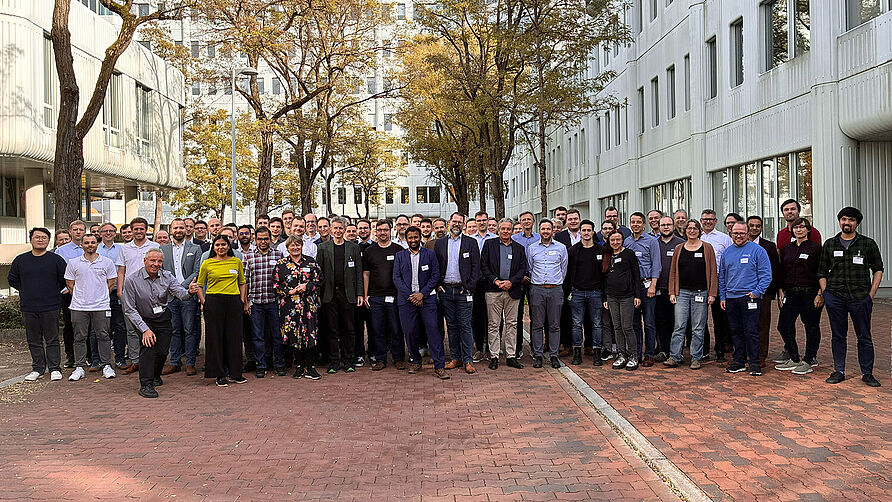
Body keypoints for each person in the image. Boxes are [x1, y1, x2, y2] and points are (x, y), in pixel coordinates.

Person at [817, 207, 883, 387]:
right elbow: (822, 271)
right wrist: (827, 294)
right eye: (844, 219)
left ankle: (867, 373)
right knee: (838, 336)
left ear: (857, 223)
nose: (847, 223)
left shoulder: (868, 243)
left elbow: (878, 269)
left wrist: (871, 294)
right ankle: (839, 370)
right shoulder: (830, 244)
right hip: (835, 297)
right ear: (839, 221)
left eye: (851, 220)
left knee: (864, 336)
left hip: (860, 297)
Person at [123, 249, 201, 398]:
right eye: (152, 261)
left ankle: (155, 375)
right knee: (149, 347)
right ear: (145, 261)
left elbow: (181, 294)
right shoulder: (131, 280)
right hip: (142, 318)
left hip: (162, 317)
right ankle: (146, 385)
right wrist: (145, 330)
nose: (156, 264)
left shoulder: (167, 276)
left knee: (162, 351)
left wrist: (190, 292)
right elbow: (129, 309)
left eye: (159, 261)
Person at [9, 228, 67, 382]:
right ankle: (38, 368)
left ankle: (55, 368)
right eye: (37, 237)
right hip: (28, 306)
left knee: (52, 338)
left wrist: (52, 291)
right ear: (31, 239)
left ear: (49, 241)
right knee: (33, 339)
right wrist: (27, 289)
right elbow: (12, 279)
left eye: (44, 237)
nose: (40, 240)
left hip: (51, 305)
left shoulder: (56, 260)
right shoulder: (20, 260)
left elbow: (64, 280)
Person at [394, 226, 449, 379]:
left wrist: (422, 294)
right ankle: (415, 361)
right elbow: (396, 278)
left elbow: (435, 275)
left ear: (420, 238)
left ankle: (439, 366)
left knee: (433, 331)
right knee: (410, 331)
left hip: (428, 299)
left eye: (415, 237)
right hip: (407, 300)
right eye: (410, 238)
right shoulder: (400, 256)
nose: (413, 240)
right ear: (406, 239)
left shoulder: (430, 254)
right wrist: (412, 296)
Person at [719, 222, 772, 376]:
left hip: (750, 298)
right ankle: (739, 362)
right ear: (731, 234)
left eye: (742, 233)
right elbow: (722, 277)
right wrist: (723, 297)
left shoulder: (758, 251)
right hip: (731, 299)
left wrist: (757, 292)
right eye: (735, 233)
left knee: (751, 331)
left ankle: (754, 363)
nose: (739, 236)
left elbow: (766, 275)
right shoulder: (727, 253)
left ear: (748, 234)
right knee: (736, 331)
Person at [195, 236, 248, 387]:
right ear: (214, 247)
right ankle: (219, 374)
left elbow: (242, 282)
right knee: (215, 339)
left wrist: (242, 301)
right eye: (217, 245)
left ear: (228, 246)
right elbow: (199, 284)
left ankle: (235, 373)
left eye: (223, 244)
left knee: (234, 338)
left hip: (233, 301)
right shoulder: (207, 263)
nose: (220, 247)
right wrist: (204, 302)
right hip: (214, 302)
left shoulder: (236, 261)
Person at [64, 233, 118, 381]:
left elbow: (111, 282)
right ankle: (79, 367)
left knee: (104, 336)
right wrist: (81, 298)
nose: (90, 245)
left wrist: (99, 297)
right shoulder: (73, 263)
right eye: (86, 243)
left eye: (92, 242)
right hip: (79, 307)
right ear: (81, 245)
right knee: (79, 337)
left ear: (97, 244)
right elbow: (70, 284)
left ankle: (106, 365)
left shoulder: (106, 262)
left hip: (101, 306)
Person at [665, 220, 717, 369]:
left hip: (701, 292)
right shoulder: (679, 248)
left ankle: (696, 357)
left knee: (698, 327)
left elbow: (713, 271)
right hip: (682, 292)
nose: (692, 230)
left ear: (699, 230)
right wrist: (672, 292)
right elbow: (673, 272)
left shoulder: (707, 248)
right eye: (689, 228)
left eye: (695, 228)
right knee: (679, 325)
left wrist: (712, 293)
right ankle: (674, 356)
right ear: (685, 230)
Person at [774, 217, 822, 376]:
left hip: (811, 293)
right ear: (792, 230)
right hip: (791, 292)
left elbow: (822, 272)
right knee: (783, 325)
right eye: (796, 228)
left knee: (811, 326)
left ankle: (809, 359)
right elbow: (782, 270)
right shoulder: (787, 248)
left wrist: (821, 293)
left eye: (802, 227)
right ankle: (794, 357)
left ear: (809, 230)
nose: (799, 230)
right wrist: (780, 289)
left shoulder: (816, 248)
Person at [316, 217, 364, 373]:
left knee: (349, 328)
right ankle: (334, 361)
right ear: (330, 229)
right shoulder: (323, 248)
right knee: (331, 329)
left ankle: (348, 360)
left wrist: (359, 293)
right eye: (335, 228)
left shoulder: (353, 248)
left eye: (340, 228)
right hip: (329, 294)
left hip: (348, 293)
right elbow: (319, 274)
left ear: (345, 230)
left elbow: (358, 272)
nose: (337, 231)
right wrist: (318, 295)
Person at [435, 212, 480, 373]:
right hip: (445, 290)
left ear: (464, 224)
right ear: (449, 222)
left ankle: (468, 360)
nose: (457, 224)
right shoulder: (440, 243)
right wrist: (438, 284)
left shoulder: (471, 242)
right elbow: (436, 266)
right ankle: (456, 358)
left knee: (465, 325)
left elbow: (476, 268)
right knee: (452, 326)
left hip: (463, 291)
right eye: (454, 221)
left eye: (460, 222)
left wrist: (470, 287)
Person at [480, 218, 527, 370]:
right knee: (494, 324)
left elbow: (522, 268)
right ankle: (494, 356)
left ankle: (511, 356)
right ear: (498, 230)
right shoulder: (489, 244)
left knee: (512, 324)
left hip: (512, 290)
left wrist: (511, 282)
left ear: (512, 231)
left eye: (508, 229)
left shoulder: (519, 248)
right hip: (493, 290)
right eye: (503, 229)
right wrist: (495, 281)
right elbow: (484, 265)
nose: (506, 231)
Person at [116, 217, 161, 375]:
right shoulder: (124, 248)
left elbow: (160, 269)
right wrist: (120, 291)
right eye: (136, 229)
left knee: (152, 326)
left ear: (146, 229)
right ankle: (135, 361)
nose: (139, 231)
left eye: (142, 228)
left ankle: (152, 359)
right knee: (131, 328)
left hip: (150, 292)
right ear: (132, 230)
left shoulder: (155, 246)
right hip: (130, 292)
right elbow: (121, 271)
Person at [274, 236, 323, 380]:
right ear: (287, 248)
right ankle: (299, 365)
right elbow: (275, 284)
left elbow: (319, 279)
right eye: (292, 246)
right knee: (293, 334)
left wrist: (307, 286)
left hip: (308, 304)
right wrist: (290, 291)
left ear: (302, 246)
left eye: (298, 245)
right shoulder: (281, 264)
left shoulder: (310, 262)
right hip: (290, 305)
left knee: (310, 333)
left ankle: (310, 366)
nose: (295, 248)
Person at [159, 219, 202, 376]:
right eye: (175, 227)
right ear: (171, 230)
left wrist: (181, 287)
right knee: (173, 330)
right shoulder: (162, 249)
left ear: (186, 230)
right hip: (169, 297)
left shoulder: (195, 249)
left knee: (189, 330)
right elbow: (160, 271)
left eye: (181, 227)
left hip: (188, 294)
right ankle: (175, 362)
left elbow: (197, 271)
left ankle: (190, 363)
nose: (178, 230)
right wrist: (171, 288)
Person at [363, 219, 407, 370]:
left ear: (390, 230)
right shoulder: (369, 251)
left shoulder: (398, 250)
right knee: (377, 329)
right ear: (376, 231)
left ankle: (398, 358)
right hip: (375, 297)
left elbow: (403, 274)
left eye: (385, 230)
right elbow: (366, 274)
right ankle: (381, 359)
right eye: (380, 230)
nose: (383, 233)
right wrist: (365, 294)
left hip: (394, 296)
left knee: (396, 328)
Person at [242, 226, 286, 378]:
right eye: (260, 239)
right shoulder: (248, 257)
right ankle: (261, 365)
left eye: (266, 239)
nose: (263, 242)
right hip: (256, 302)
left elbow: (282, 279)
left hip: (274, 301)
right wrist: (246, 302)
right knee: (258, 336)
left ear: (270, 239)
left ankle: (279, 364)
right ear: (255, 239)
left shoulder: (278, 254)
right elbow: (244, 281)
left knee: (277, 335)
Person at [527, 219, 568, 369]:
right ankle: (538, 355)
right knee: (537, 324)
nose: (545, 232)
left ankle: (554, 355)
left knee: (555, 325)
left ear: (553, 231)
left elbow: (564, 269)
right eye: (543, 229)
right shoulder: (531, 248)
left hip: (555, 289)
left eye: (548, 229)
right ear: (539, 230)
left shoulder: (561, 248)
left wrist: (555, 282)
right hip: (537, 289)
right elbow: (530, 268)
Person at [565, 220, 605, 365]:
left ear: (593, 232)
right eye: (584, 230)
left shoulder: (601, 251)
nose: (587, 233)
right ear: (580, 232)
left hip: (596, 293)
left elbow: (605, 274)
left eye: (589, 230)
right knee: (576, 324)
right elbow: (567, 273)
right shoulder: (573, 251)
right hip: (577, 293)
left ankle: (597, 354)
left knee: (597, 324)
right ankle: (577, 354)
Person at [624, 212, 661, 366]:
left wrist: (653, 285)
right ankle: (636, 353)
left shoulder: (652, 241)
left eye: (639, 222)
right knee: (634, 323)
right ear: (630, 224)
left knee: (649, 322)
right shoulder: (626, 242)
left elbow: (656, 265)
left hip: (648, 286)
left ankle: (649, 354)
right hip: (632, 287)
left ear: (644, 224)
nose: (636, 224)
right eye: (633, 222)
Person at [603, 230, 641, 370]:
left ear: (622, 240)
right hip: (612, 297)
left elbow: (636, 275)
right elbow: (604, 279)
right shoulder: (607, 256)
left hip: (627, 296)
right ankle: (621, 354)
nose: (615, 242)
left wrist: (637, 295)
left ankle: (633, 355)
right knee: (617, 327)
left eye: (618, 240)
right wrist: (605, 297)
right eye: (612, 240)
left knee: (627, 327)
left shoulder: (629, 254)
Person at [699, 209, 733, 361]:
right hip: (699, 281)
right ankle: (703, 350)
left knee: (719, 319)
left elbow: (728, 260)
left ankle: (720, 350)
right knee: (699, 318)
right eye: (705, 219)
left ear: (716, 221)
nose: (708, 222)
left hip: (718, 280)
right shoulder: (695, 236)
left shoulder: (724, 239)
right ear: (701, 220)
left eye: (711, 219)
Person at [746, 215, 779, 365]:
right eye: (751, 225)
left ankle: (761, 355)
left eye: (757, 226)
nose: (754, 228)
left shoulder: (769, 246)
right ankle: (746, 352)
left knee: (762, 323)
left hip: (763, 292)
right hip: (743, 291)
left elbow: (774, 270)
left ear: (761, 228)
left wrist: (770, 291)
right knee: (745, 323)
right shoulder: (739, 243)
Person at [55, 219, 87, 368]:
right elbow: (59, 272)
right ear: (70, 232)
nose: (78, 232)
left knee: (90, 326)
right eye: (75, 230)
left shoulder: (92, 246)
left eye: (81, 229)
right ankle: (71, 356)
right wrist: (65, 288)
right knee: (70, 325)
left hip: (89, 293)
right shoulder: (61, 251)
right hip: (69, 294)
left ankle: (89, 355)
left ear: (85, 231)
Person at [97, 223, 127, 368]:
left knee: (120, 326)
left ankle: (120, 358)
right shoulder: (94, 249)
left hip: (117, 292)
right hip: (98, 294)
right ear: (100, 233)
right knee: (100, 327)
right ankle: (99, 359)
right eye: (105, 231)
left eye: (111, 231)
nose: (108, 233)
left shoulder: (122, 249)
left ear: (115, 233)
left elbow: (123, 270)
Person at [654, 216, 684, 362]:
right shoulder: (654, 243)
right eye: (663, 225)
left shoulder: (681, 243)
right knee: (661, 321)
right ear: (658, 227)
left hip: (676, 290)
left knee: (677, 322)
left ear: (673, 226)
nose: (666, 227)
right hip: (658, 289)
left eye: (668, 224)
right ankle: (664, 350)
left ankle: (677, 352)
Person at [512, 211, 539, 359]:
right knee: (517, 315)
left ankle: (536, 348)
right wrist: (520, 276)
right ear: (520, 222)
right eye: (524, 220)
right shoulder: (514, 239)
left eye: (529, 219)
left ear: (533, 222)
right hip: (519, 280)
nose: (527, 222)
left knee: (536, 315)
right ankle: (518, 348)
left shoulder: (540, 238)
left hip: (536, 280)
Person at [471, 211, 496, 361]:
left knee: (493, 317)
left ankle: (493, 348)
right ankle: (479, 347)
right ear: (475, 222)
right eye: (479, 220)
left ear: (488, 221)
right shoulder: (469, 239)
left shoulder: (495, 239)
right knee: (477, 317)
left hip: (491, 282)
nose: (481, 223)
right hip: (476, 284)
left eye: (484, 220)